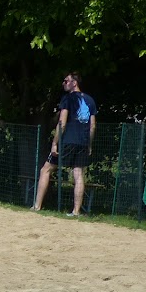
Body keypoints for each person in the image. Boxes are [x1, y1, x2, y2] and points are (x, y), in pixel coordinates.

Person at [32, 72, 96, 216]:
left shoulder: (67, 98)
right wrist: (89, 144)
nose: (63, 83)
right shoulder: (90, 100)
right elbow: (92, 126)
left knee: (45, 170)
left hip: (67, 141)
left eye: (66, 81)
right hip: (83, 142)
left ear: (74, 83)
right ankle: (76, 211)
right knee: (78, 174)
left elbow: (62, 123)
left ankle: (37, 206)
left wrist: (55, 143)